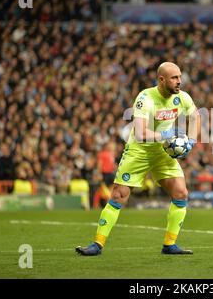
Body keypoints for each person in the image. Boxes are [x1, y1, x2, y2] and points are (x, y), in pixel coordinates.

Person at [76, 62, 200, 256]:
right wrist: (166, 135)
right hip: (139, 151)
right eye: (174, 78)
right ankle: (97, 245)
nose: (179, 81)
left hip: (162, 153)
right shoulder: (145, 98)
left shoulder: (182, 98)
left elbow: (196, 117)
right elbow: (141, 133)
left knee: (181, 192)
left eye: (179, 77)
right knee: (118, 195)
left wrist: (191, 141)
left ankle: (169, 245)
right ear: (161, 80)